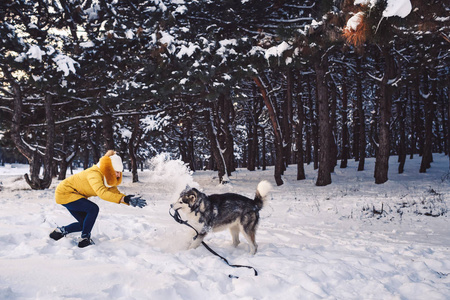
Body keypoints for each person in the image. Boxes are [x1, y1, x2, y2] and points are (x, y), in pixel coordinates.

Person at [49, 150, 147, 248]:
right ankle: (85, 238)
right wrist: (124, 199)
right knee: (93, 209)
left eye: (119, 173)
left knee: (85, 224)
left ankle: (60, 231)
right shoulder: (94, 174)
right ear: (109, 169)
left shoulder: (106, 177)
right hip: (65, 193)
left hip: (74, 195)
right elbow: (102, 193)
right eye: (116, 172)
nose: (118, 175)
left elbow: (115, 193)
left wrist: (128, 199)